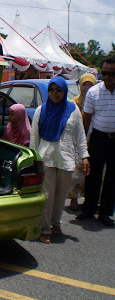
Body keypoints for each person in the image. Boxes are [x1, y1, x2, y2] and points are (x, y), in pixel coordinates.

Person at [30, 76, 90, 244]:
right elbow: (34, 138)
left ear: (64, 91)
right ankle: (45, 228)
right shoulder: (41, 110)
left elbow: (80, 135)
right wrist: (34, 160)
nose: (55, 93)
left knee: (61, 195)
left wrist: (84, 156)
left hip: (66, 158)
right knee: (47, 195)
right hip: (46, 158)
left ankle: (56, 223)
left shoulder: (73, 110)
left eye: (58, 90)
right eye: (52, 90)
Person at [77, 56, 115, 227]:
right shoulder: (93, 92)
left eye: (111, 73)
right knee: (93, 176)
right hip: (98, 138)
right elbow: (86, 120)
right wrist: (82, 145)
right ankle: (89, 208)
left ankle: (105, 212)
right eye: (104, 73)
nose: (107, 77)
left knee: (112, 178)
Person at [68, 73, 97, 210]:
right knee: (76, 172)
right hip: (77, 141)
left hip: (94, 139)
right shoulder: (74, 102)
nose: (87, 87)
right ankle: (74, 199)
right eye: (85, 84)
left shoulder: (97, 101)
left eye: (90, 84)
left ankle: (90, 199)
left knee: (92, 172)